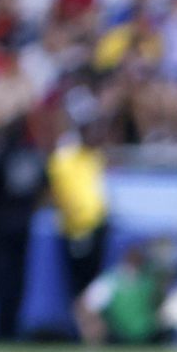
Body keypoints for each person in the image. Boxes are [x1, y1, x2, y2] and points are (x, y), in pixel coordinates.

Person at [0, 116, 47, 343]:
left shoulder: (2, 154)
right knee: (17, 280)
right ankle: (11, 327)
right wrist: (30, 211)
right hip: (22, 226)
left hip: (0, 225)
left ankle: (2, 329)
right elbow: (45, 189)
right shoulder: (34, 157)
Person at [48, 119, 113, 317]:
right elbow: (63, 194)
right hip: (77, 228)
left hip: (97, 225)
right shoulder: (64, 158)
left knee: (93, 283)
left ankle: (90, 328)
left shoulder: (93, 157)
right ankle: (85, 328)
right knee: (81, 283)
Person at [74, 240, 177, 344]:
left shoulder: (151, 278)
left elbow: (161, 304)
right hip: (119, 338)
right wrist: (96, 332)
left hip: (150, 334)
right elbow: (84, 305)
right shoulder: (111, 280)